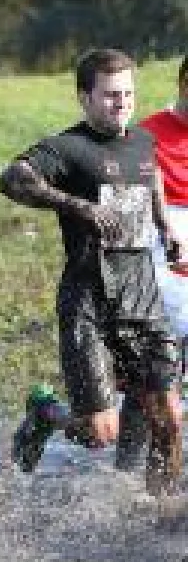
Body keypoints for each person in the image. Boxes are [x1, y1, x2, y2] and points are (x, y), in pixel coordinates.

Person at [0, 47, 182, 497]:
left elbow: (150, 177)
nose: (121, 104)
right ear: (84, 97)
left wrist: (165, 225)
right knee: (99, 431)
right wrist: (79, 206)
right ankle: (47, 414)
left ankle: (157, 512)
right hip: (89, 303)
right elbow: (11, 178)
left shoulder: (141, 140)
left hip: (143, 298)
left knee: (169, 420)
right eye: (110, 96)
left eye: (128, 94)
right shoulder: (67, 148)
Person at [115, 54, 188, 469]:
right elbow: (122, 224)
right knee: (148, 391)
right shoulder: (144, 137)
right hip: (158, 281)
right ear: (182, 83)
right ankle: (124, 477)